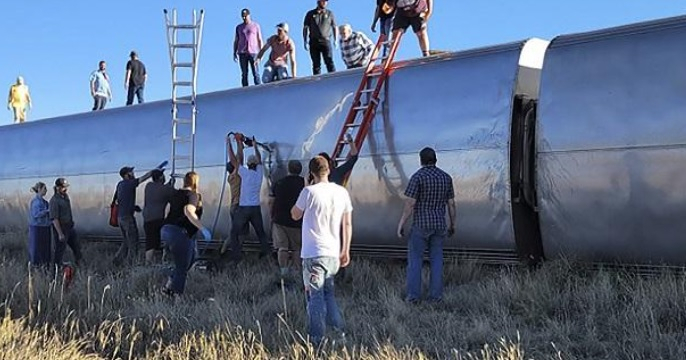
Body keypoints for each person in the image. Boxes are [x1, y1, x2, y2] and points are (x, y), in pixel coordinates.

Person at [291, 156, 352, 345]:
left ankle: (316, 341)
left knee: (315, 297)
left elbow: (294, 215)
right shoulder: (342, 192)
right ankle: (339, 333)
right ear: (329, 170)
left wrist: (304, 186)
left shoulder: (308, 192)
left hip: (313, 254)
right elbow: (347, 223)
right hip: (333, 253)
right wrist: (345, 250)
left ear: (311, 173)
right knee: (328, 294)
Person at [396, 147, 456, 303]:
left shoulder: (418, 177)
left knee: (415, 260)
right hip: (439, 225)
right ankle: (436, 297)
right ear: (435, 159)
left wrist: (401, 223)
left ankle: (413, 296)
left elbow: (410, 204)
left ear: (421, 160)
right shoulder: (446, 178)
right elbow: (451, 204)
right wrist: (452, 224)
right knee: (437, 261)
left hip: (421, 225)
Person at [161, 171, 211, 295]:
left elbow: (168, 210)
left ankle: (169, 285)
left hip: (167, 229)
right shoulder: (193, 195)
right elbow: (188, 211)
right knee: (182, 267)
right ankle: (176, 298)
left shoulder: (175, 194)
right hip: (180, 232)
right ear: (195, 182)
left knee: (189, 261)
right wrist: (202, 228)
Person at [227, 133, 270, 261]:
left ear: (247, 164)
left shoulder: (244, 173)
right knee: (260, 232)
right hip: (256, 208)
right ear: (256, 164)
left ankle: (236, 257)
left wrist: (229, 144)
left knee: (234, 233)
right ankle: (266, 254)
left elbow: (234, 160)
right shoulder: (260, 173)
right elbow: (259, 158)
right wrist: (255, 146)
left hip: (244, 208)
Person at [112, 165, 159, 266]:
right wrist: (154, 171)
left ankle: (117, 260)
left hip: (121, 217)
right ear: (126, 175)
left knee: (126, 242)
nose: (133, 174)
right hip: (127, 218)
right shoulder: (129, 183)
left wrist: (133, 207)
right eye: (131, 172)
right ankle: (131, 265)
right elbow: (143, 178)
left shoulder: (120, 184)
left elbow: (121, 200)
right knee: (134, 243)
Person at [269, 160, 305, 283]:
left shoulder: (279, 183)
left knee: (282, 247)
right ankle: (296, 271)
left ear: (288, 169)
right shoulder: (304, 184)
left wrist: (271, 215)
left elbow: (271, 201)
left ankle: (284, 272)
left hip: (280, 220)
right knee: (296, 248)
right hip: (297, 220)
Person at [143, 170, 175, 264]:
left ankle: (150, 263)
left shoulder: (149, 186)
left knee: (151, 242)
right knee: (156, 242)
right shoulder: (165, 189)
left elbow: (162, 190)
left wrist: (169, 184)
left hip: (147, 219)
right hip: (156, 219)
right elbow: (172, 194)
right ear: (161, 177)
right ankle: (154, 262)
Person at [49, 178, 83, 267]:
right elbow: (54, 219)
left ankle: (79, 265)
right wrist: (60, 234)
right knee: (60, 250)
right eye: (63, 187)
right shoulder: (54, 201)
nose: (66, 189)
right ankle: (56, 270)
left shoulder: (65, 197)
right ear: (57, 188)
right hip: (61, 228)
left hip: (69, 227)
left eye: (66, 187)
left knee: (76, 247)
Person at [303, 0, 337, 75]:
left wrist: (335, 39)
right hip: (314, 41)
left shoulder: (329, 13)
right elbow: (305, 28)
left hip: (325, 41)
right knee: (316, 64)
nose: (324, 3)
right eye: (323, 1)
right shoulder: (310, 14)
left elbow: (334, 26)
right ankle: (317, 80)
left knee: (329, 61)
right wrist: (305, 40)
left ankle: (333, 77)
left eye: (326, 1)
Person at [234, 8, 263, 87]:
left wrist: (261, 53)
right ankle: (245, 89)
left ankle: (258, 88)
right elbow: (236, 40)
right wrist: (234, 52)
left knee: (255, 72)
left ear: (249, 15)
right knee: (244, 73)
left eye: (245, 16)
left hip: (253, 52)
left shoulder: (255, 26)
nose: (244, 18)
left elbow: (260, 39)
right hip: (242, 52)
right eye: (243, 16)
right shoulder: (239, 27)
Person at [28, 182, 51, 267]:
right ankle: (36, 265)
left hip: (45, 227)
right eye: (44, 189)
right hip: (37, 228)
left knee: (44, 249)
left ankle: (44, 265)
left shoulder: (45, 202)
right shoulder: (36, 202)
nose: (46, 191)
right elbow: (36, 214)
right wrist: (47, 211)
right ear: (39, 189)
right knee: (37, 248)